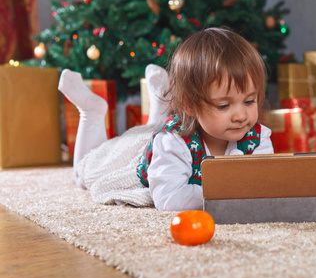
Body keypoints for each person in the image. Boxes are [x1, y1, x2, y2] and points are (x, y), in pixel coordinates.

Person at [58, 27, 274, 211]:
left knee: (156, 128)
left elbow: (264, 183)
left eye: (249, 101)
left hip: (171, 133)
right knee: (84, 174)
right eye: (224, 106)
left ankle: (161, 101)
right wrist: (226, 191)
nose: (241, 116)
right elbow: (168, 198)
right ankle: (92, 112)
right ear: (189, 104)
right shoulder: (173, 142)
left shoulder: (256, 137)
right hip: (136, 157)